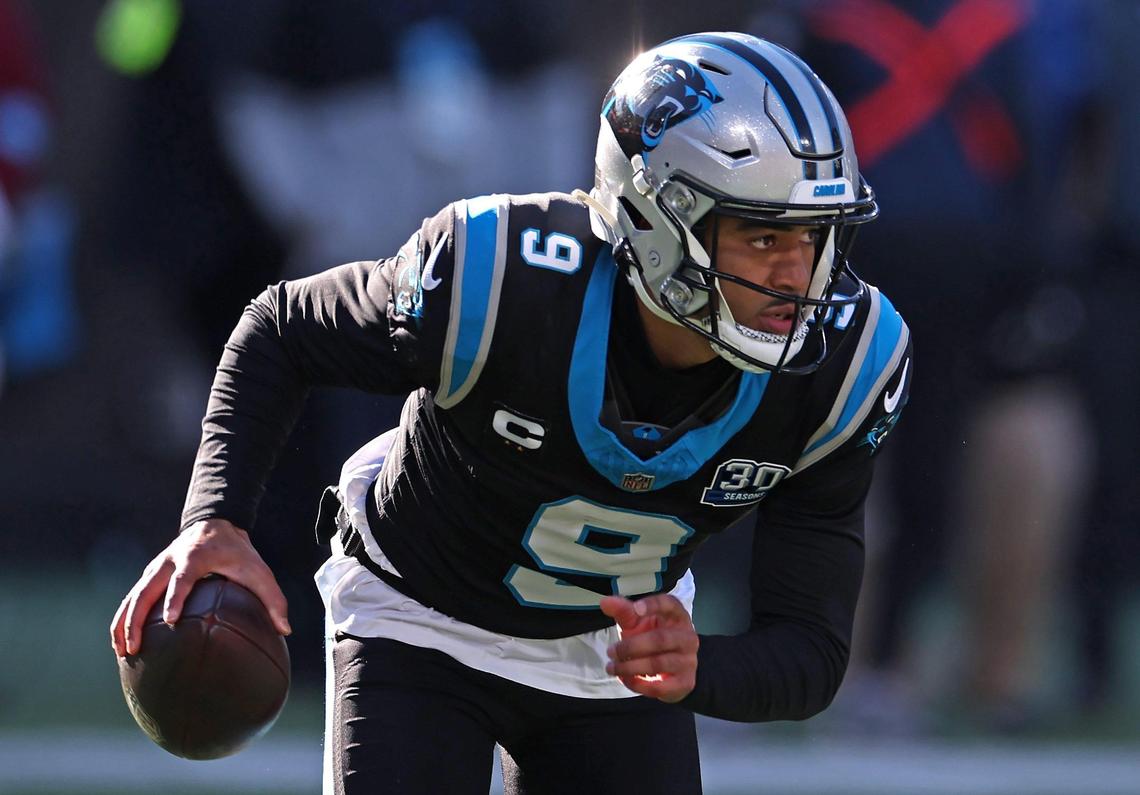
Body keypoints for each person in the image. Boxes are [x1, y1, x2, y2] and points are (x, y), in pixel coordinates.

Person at [111, 32, 911, 794]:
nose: (801, 275)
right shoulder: (500, 282)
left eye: (817, 236)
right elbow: (283, 328)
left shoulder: (844, 368)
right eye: (765, 238)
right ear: (659, 222)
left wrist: (702, 662)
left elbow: (808, 651)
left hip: (607, 654)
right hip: (420, 617)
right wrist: (215, 519)